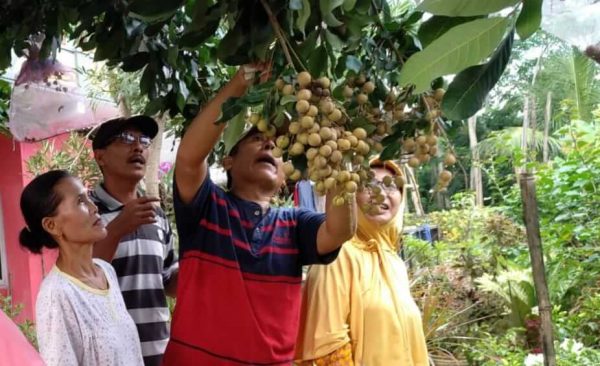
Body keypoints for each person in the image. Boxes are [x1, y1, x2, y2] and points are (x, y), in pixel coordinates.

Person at [161, 64, 357, 365]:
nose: (268, 143)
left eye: (278, 145)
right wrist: (239, 84)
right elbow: (188, 158)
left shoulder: (295, 224)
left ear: (284, 178)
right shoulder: (207, 208)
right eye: (256, 138)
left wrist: (332, 150)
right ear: (228, 160)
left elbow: (340, 230)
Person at [295, 160, 429, 366]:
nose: (381, 193)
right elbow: (327, 345)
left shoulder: (394, 262)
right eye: (369, 183)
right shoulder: (337, 255)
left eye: (391, 185)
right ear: (351, 194)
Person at [19, 170, 143, 366]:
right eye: (80, 201)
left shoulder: (106, 272)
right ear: (52, 225)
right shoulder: (57, 295)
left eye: (88, 198)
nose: (94, 208)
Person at [90, 115, 179, 366]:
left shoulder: (157, 215)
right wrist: (118, 228)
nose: (138, 146)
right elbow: (80, 276)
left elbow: (168, 282)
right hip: (110, 356)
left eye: (144, 140)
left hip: (158, 352)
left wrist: (197, 268)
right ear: (100, 156)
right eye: (126, 138)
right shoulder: (85, 211)